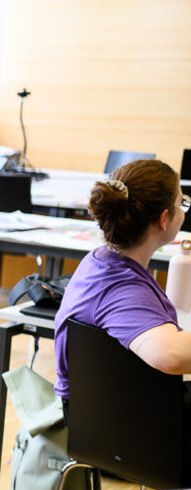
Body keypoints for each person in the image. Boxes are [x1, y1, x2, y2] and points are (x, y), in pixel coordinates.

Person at [55, 159, 190, 401]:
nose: (184, 210)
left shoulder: (99, 261)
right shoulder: (121, 287)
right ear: (164, 218)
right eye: (182, 203)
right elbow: (169, 355)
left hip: (106, 417)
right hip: (130, 427)